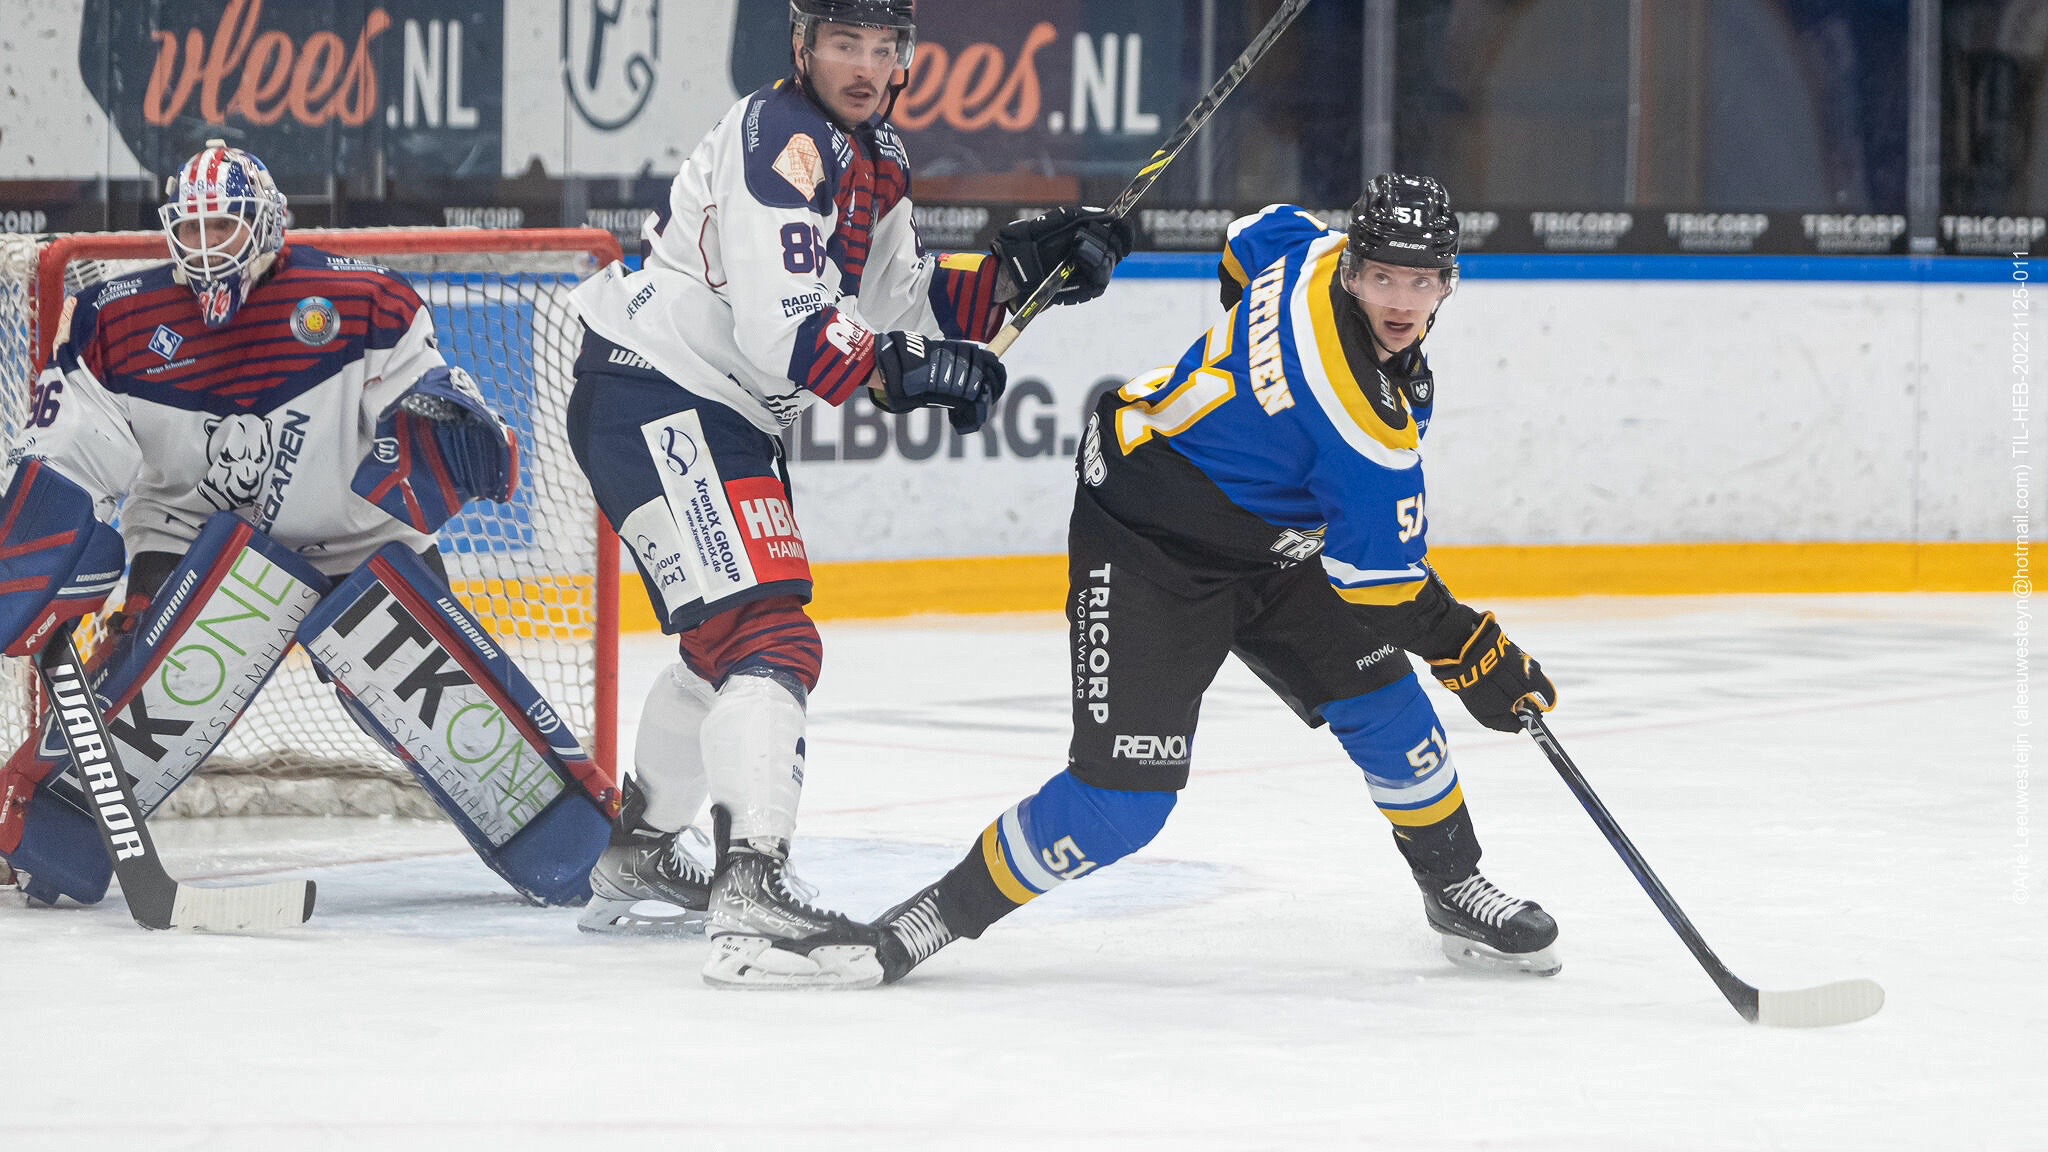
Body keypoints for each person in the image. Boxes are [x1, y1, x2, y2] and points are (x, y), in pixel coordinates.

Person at [728, 174, 1565, 989]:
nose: (1400, 301)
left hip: (1274, 544)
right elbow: (1380, 585)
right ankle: (921, 922)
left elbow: (1246, 245)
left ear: (1448, 283)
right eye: (1384, 277)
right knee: (1120, 804)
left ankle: (1454, 887)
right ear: (1354, 269)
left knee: (1389, 709)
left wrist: (1256, 398)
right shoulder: (1359, 416)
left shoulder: (1308, 251)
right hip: (1146, 539)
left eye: (1421, 281)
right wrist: (1476, 654)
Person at [562, 0, 1133, 983]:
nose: (866, 66)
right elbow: (789, 332)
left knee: (720, 649)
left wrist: (1016, 276)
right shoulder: (781, 139)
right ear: (802, 48)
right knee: (769, 640)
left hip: (695, 406)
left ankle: (638, 852)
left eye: (883, 48)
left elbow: (893, 303)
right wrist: (916, 370)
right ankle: (750, 893)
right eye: (844, 45)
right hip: (666, 393)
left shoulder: (875, 154)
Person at [0, 140, 617, 909]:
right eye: (187, 230)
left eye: (220, 228)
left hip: (361, 538)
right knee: (158, 685)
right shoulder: (117, 317)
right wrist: (47, 542)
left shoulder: (362, 301)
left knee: (413, 691)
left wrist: (435, 422)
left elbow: (424, 400)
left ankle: (574, 842)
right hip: (190, 537)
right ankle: (50, 828)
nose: (202, 249)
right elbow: (72, 444)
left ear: (265, 227)